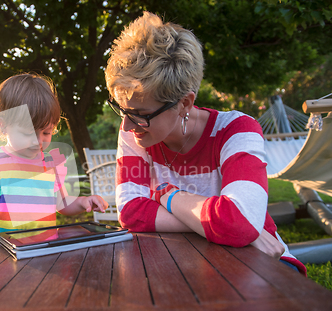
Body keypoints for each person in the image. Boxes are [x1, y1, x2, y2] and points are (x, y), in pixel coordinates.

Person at [105, 12, 306, 275]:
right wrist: (225, 225)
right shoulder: (134, 131)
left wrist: (167, 195)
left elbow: (240, 223)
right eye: (122, 109)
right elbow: (131, 213)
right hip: (186, 262)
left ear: (184, 103)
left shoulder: (236, 130)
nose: (128, 125)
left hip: (262, 263)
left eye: (141, 115)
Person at [0, 73, 108, 277]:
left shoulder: (49, 164)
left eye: (46, 133)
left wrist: (85, 201)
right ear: (1, 124)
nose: (38, 142)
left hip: (43, 255)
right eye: (28, 133)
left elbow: (62, 204)